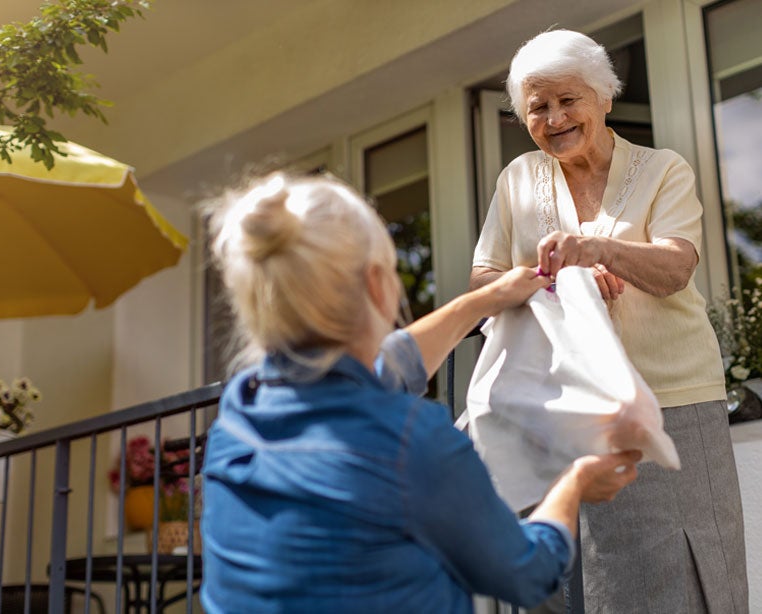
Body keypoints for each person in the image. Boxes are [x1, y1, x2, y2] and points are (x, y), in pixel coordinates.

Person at [199, 171, 641, 613]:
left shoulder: (240, 409)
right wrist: (573, 480)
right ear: (377, 284)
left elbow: (384, 366)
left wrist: (486, 299)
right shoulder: (409, 437)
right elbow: (527, 573)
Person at [470, 29, 748, 613]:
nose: (554, 118)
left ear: (604, 98)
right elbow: (483, 284)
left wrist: (598, 251)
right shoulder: (517, 180)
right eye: (537, 107)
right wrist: (558, 283)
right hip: (556, 408)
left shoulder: (662, 170)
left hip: (673, 401)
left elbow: (675, 268)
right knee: (580, 582)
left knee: (682, 571)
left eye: (568, 100)